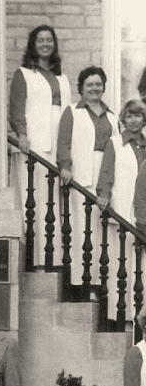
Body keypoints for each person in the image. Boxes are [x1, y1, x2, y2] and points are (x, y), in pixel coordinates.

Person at [9, 26, 72, 264]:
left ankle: (54, 259)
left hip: (58, 145)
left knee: (55, 202)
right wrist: (22, 134)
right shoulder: (24, 74)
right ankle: (32, 259)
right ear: (33, 45)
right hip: (33, 146)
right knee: (32, 200)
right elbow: (16, 107)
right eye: (40, 40)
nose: (45, 44)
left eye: (49, 40)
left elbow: (67, 114)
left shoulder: (62, 78)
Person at [57, 66, 117, 286]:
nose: (94, 88)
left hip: (106, 172)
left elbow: (117, 150)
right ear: (81, 88)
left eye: (98, 84)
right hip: (81, 174)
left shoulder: (113, 117)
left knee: (104, 229)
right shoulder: (72, 111)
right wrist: (65, 165)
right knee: (82, 227)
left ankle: (102, 284)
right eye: (89, 84)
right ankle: (82, 282)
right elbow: (63, 142)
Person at [96, 100, 146, 321]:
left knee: (143, 267)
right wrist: (104, 194)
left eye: (138, 116)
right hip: (123, 210)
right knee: (122, 262)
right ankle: (122, 315)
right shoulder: (115, 143)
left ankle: (141, 316)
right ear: (123, 119)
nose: (134, 120)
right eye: (129, 116)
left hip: (144, 211)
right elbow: (106, 172)